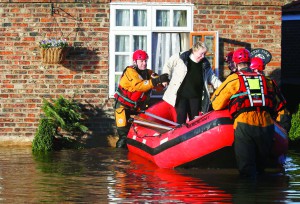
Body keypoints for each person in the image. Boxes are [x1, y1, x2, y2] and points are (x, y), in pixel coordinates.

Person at [211, 48, 288, 178]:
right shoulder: (267, 80)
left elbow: (216, 104)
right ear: (250, 62)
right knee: (262, 168)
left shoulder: (233, 80)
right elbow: (279, 103)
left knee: (247, 169)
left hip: (245, 124)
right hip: (266, 126)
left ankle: (246, 195)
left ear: (235, 64)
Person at [114, 49, 169, 148]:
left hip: (137, 108)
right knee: (123, 137)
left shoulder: (148, 73)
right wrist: (156, 81)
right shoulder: (130, 71)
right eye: (141, 61)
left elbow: (158, 86)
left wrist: (163, 82)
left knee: (138, 134)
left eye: (145, 61)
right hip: (122, 107)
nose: (144, 63)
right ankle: (120, 160)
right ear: (135, 62)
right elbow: (139, 86)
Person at [162, 41, 222, 124]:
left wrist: (223, 87)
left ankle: (193, 136)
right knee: (181, 118)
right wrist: (165, 76)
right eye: (201, 54)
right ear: (194, 51)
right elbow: (168, 64)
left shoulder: (205, 64)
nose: (203, 56)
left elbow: (213, 78)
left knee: (194, 120)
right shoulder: (182, 57)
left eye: (204, 54)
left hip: (195, 97)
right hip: (181, 95)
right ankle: (180, 135)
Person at [250, 56, 291, 132]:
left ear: (255, 69)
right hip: (278, 115)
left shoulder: (266, 82)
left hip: (280, 117)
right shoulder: (267, 81)